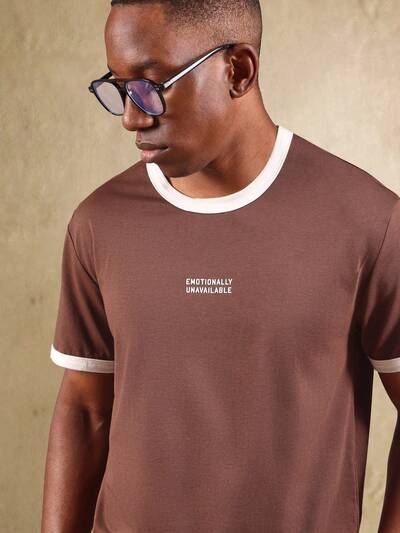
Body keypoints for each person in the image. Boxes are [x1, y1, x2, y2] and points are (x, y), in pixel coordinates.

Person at [41, 1, 400, 532]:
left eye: (150, 86)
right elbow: (84, 407)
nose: (132, 117)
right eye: (118, 88)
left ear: (238, 70)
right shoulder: (99, 223)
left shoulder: (369, 220)